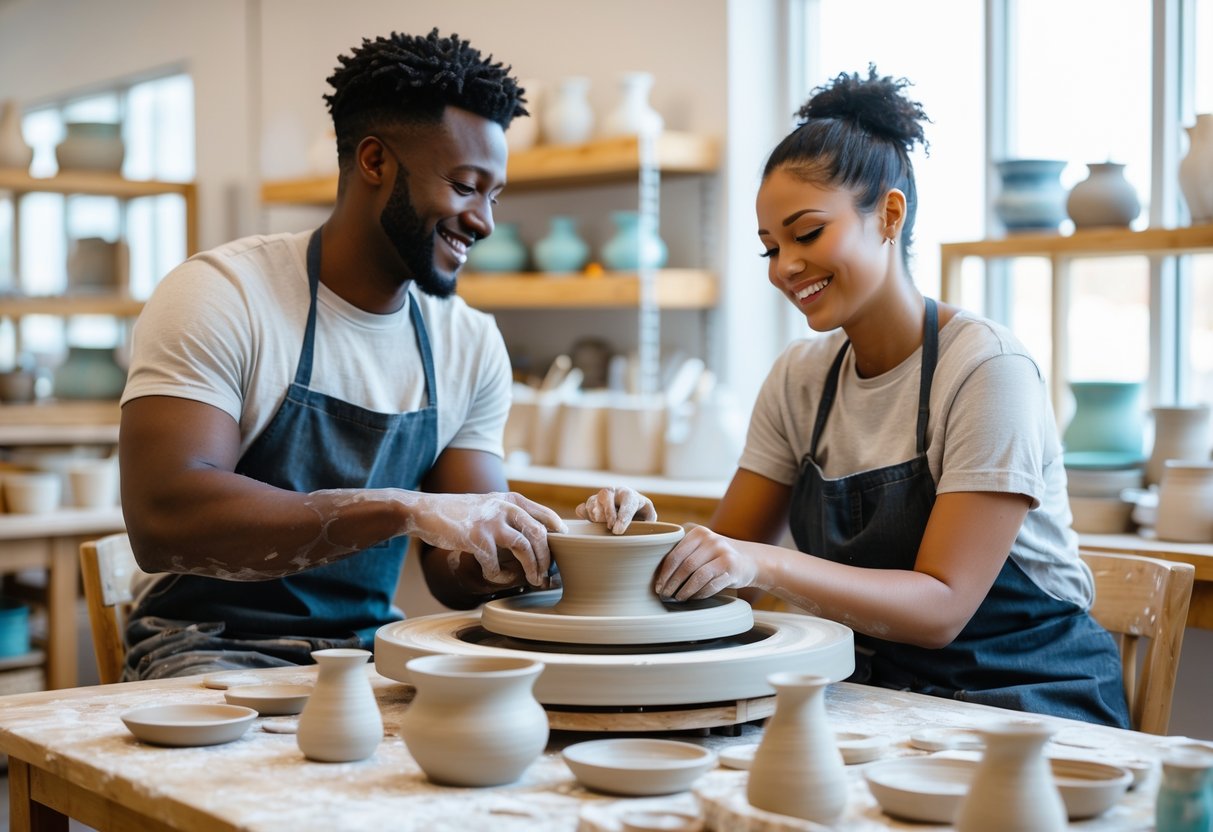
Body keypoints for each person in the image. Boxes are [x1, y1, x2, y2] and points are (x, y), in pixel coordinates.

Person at [579, 67, 1130, 727]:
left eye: (806, 234)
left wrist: (759, 559)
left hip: (1030, 704)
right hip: (882, 698)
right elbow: (730, 569)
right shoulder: (799, 378)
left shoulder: (986, 369)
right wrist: (642, 534)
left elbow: (940, 608)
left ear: (888, 215)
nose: (784, 266)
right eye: (769, 248)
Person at [119, 28, 566, 680]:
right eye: (467, 186)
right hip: (205, 645)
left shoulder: (467, 343)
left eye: (494, 196)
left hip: (367, 652)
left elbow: (454, 572)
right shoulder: (222, 296)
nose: (484, 221)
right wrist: (401, 507)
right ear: (375, 162)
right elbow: (164, 520)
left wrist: (538, 548)